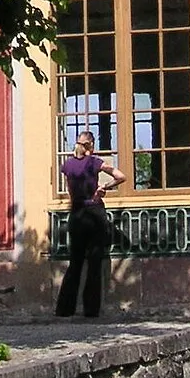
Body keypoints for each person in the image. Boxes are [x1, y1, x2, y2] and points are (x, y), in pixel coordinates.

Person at [56, 132, 119, 318]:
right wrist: (104, 188)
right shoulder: (94, 162)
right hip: (95, 213)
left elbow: (70, 190)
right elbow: (120, 176)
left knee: (74, 262)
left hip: (76, 214)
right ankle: (91, 310)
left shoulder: (67, 165)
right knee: (94, 263)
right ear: (91, 145)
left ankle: (65, 309)